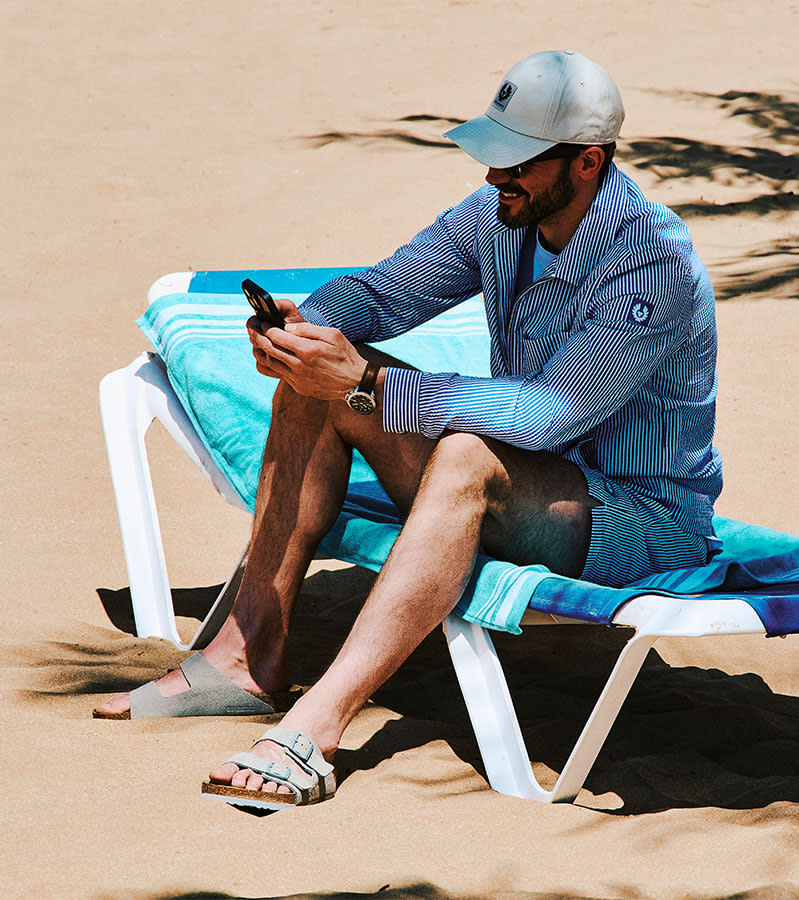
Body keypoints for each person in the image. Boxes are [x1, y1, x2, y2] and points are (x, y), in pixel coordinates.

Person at [94, 49, 722, 811]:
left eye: (517, 163)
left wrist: (366, 381)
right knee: (317, 380)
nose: (496, 177)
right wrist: (310, 331)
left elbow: (550, 413)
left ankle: (318, 724)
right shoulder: (501, 218)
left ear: (587, 162)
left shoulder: (653, 262)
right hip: (526, 482)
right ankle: (243, 656)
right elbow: (384, 293)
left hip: (640, 521)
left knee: (458, 451)